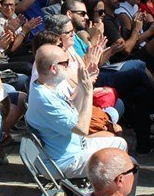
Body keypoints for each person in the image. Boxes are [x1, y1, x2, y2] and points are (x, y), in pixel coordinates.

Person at [26, 44, 127, 177]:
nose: (69, 66)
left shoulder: (48, 86)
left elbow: (76, 112)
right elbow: (82, 129)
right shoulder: (46, 99)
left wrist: (83, 84)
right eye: (66, 63)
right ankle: (105, 194)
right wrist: (88, 91)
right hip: (66, 161)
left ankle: (105, 190)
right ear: (54, 68)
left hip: (75, 149)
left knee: (120, 143)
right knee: (126, 163)